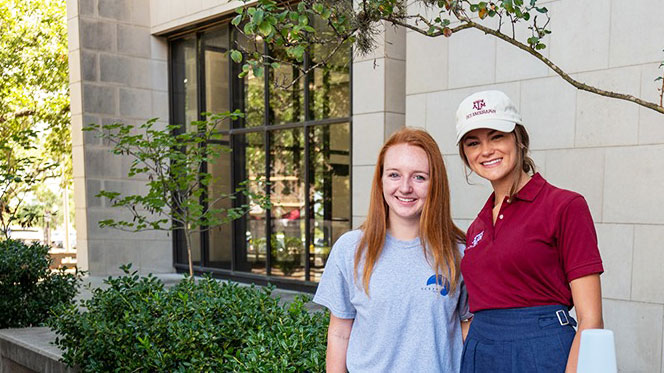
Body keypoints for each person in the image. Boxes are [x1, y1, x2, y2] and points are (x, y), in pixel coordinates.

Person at [455, 90, 604, 373]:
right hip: (480, 352)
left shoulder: (565, 206)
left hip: (542, 351)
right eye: (473, 143)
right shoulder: (477, 225)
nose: (486, 150)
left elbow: (591, 319)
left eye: (497, 136)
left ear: (519, 139)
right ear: (465, 155)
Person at [313, 127, 472, 372]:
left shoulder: (459, 253)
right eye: (394, 175)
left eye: (419, 177)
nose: (405, 187)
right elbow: (340, 333)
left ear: (435, 183)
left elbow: (466, 329)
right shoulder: (350, 249)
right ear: (381, 180)